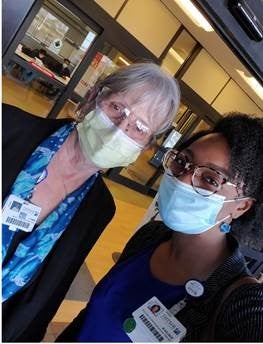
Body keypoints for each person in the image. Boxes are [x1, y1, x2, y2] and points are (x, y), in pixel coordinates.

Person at [2, 62, 180, 342]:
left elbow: (49, 294)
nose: (120, 128)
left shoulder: (99, 209)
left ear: (146, 146)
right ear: (94, 96)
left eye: (139, 127)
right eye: (117, 108)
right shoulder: (8, 126)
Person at [56, 113, 263, 342]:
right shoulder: (151, 235)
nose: (183, 180)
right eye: (183, 162)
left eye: (211, 180)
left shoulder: (243, 304)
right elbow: (90, 317)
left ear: (241, 207)